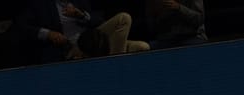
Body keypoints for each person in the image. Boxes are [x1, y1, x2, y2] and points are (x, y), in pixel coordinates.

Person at [16, 0, 148, 64]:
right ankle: (115, 66)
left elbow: (99, 21)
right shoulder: (40, 4)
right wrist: (48, 33)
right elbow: (19, 26)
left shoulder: (78, 1)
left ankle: (112, 65)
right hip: (72, 47)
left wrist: (82, 16)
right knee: (139, 42)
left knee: (141, 43)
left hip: (94, 40)